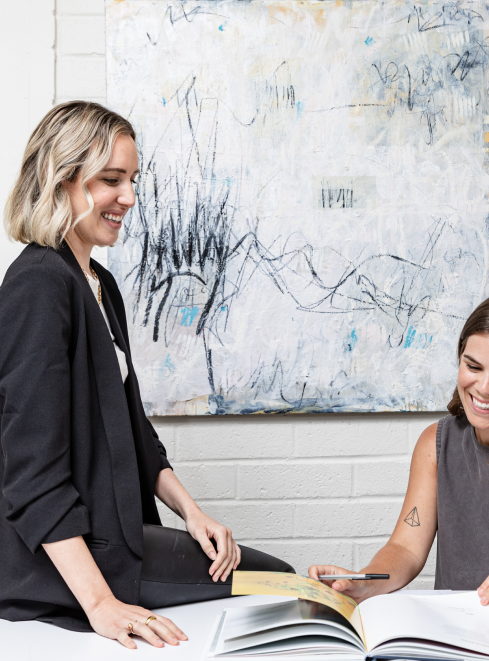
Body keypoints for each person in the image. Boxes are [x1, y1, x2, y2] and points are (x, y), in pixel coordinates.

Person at [0, 101, 293, 649]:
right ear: (62, 180)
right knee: (282, 584)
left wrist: (193, 514)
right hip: (73, 564)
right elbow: (30, 474)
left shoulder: (98, 284)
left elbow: (135, 434)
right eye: (112, 180)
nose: (130, 197)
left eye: (133, 180)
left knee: (281, 582)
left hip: (119, 539)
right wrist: (100, 605)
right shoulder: (39, 285)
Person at [310, 290, 489, 615]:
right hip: (459, 633)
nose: (484, 387)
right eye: (473, 366)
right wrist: (364, 582)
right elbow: (405, 548)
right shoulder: (435, 444)